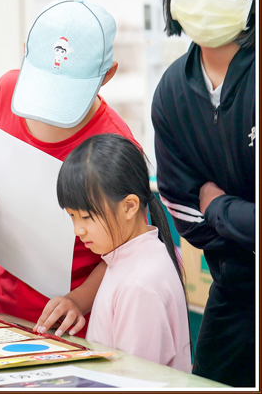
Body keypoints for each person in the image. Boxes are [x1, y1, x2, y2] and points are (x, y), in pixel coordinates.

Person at [0, 0, 137, 338]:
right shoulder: (7, 90)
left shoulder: (114, 145)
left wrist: (79, 300)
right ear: (26, 53)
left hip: (69, 326)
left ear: (108, 75)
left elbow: (128, 247)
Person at [152, 0, 255, 387]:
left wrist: (218, 207)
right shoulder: (173, 91)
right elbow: (181, 209)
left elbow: (203, 208)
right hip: (232, 290)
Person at [54, 133, 191, 372]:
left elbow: (131, 379)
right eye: (72, 216)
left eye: (86, 216)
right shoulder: (134, 259)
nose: (78, 230)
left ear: (129, 206)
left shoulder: (139, 284)